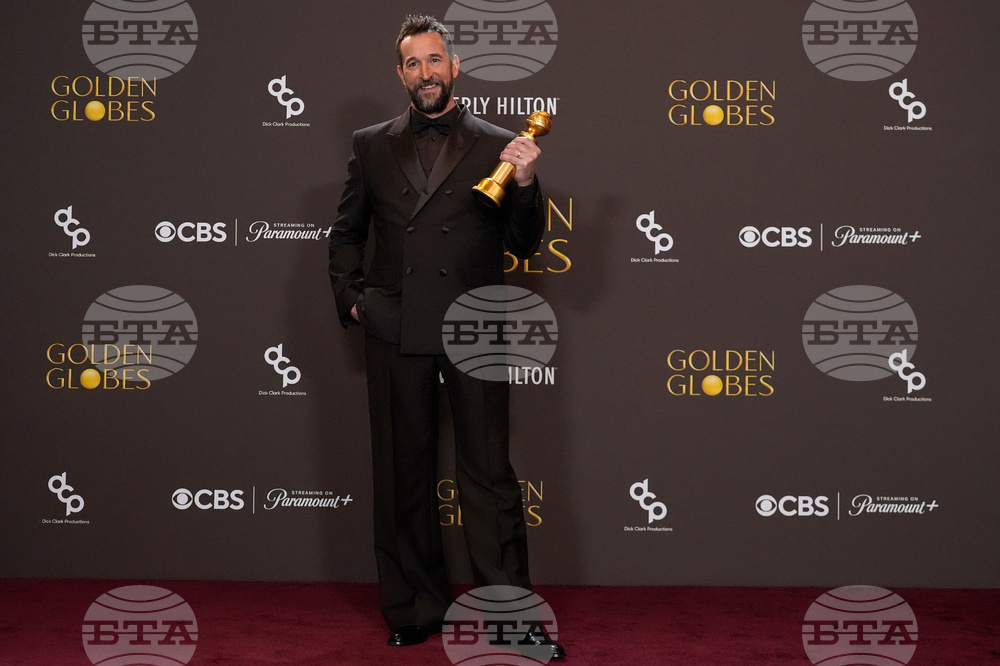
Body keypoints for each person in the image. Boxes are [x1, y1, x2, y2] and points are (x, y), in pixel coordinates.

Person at [328, 14, 565, 659]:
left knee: (488, 476)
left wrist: (523, 181)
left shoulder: (498, 144)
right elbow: (347, 231)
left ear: (454, 66)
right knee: (403, 473)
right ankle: (413, 606)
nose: (425, 73)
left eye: (435, 61)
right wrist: (353, 301)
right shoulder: (371, 143)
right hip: (394, 324)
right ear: (400, 73)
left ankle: (512, 620)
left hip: (474, 324)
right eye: (413, 63)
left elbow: (522, 242)